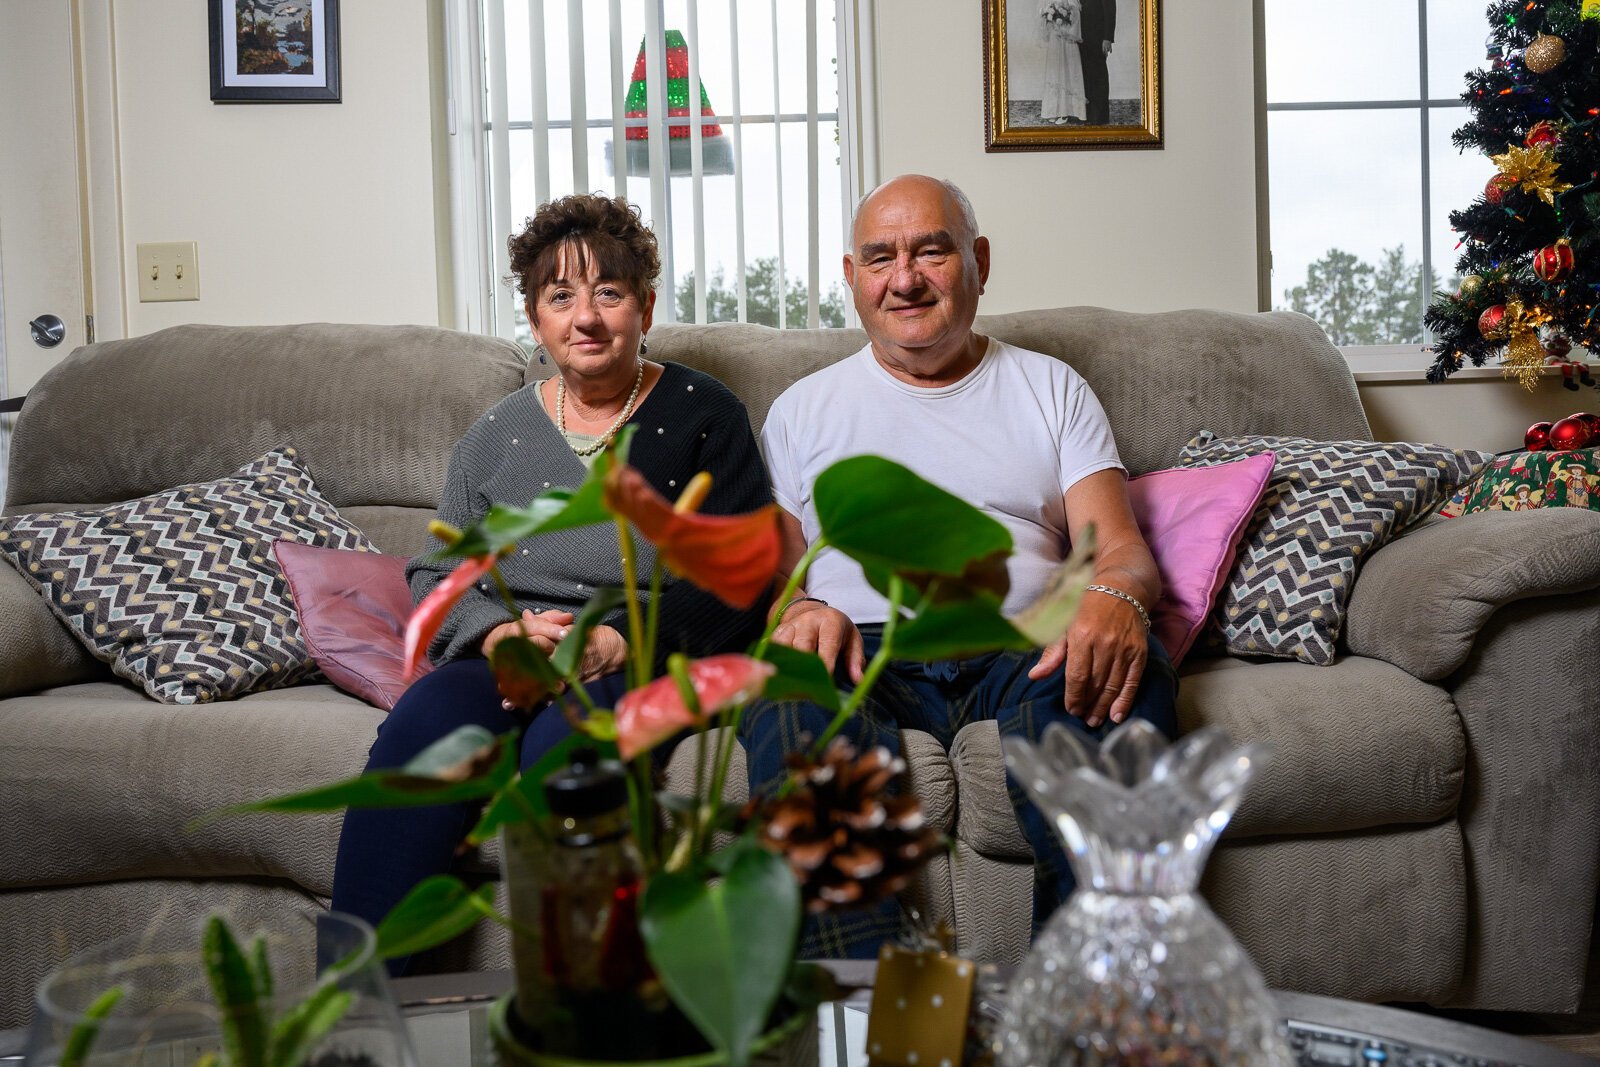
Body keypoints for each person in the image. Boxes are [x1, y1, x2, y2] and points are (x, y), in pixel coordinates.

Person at [744, 174, 1178, 958]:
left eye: (930, 251)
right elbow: (775, 578)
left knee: (1128, 672)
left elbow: (1118, 549)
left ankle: (1086, 1006)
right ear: (852, 278)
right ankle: (863, 1005)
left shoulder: (1052, 388)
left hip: (1023, 644)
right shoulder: (801, 410)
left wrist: (1116, 594)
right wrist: (798, 609)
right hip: (862, 650)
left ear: (978, 260)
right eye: (879, 258)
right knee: (783, 693)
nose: (904, 278)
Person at [331, 194, 771, 967]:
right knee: (416, 735)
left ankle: (581, 1014)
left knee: (567, 748)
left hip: (632, 652)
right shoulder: (495, 434)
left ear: (645, 305)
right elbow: (439, 570)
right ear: (536, 320)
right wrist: (501, 633)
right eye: (560, 296)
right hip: (510, 654)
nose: (586, 317)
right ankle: (362, 1014)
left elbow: (742, 576)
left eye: (608, 291)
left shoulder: (707, 413)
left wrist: (612, 641)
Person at [1039, 0, 1086, 125]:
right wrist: (1050, 18)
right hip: (1055, 38)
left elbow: (1076, 15)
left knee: (1068, 70)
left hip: (1067, 40)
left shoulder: (1072, 1)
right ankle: (1053, 110)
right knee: (1055, 71)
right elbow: (1044, 15)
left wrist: (1066, 27)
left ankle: (1066, 112)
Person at [1078, 0, 1116, 125]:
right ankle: (1088, 115)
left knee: (1099, 75)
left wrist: (1107, 38)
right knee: (1085, 75)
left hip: (1098, 37)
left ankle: (1100, 117)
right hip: (1081, 37)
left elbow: (1110, 9)